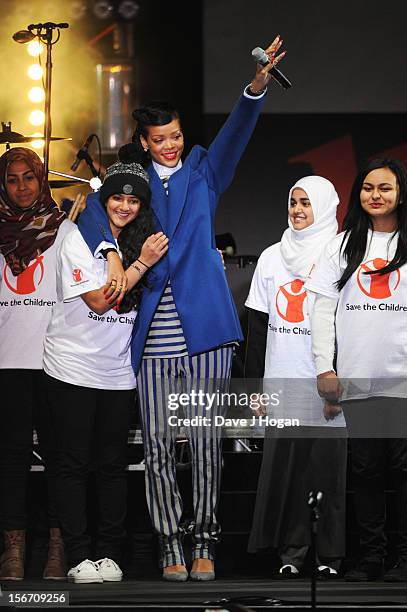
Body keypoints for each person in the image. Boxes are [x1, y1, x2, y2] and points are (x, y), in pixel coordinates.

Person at [77, 36, 287, 581]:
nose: (171, 145)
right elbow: (98, 224)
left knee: (207, 447)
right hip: (152, 334)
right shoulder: (132, 185)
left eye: (175, 136)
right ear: (144, 143)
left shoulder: (202, 170)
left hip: (206, 333)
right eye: (160, 140)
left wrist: (255, 87)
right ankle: (170, 546)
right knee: (158, 448)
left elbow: (236, 135)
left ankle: (205, 545)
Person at [42, 161, 168, 583]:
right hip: (71, 367)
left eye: (133, 201)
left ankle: (110, 554)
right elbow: (99, 299)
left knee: (113, 466)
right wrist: (141, 265)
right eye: (117, 197)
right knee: (73, 464)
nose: (125, 207)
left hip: (116, 372)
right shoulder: (78, 237)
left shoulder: (135, 240)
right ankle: (78, 554)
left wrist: (134, 257)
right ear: (105, 199)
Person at [306, 158, 407, 582]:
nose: (376, 195)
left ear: (401, 192)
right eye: (368, 188)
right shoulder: (341, 245)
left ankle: (402, 558)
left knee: (403, 471)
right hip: (357, 378)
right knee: (365, 470)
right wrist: (323, 368)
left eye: (385, 188)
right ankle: (371, 557)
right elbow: (322, 310)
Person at [245, 176, 347, 579]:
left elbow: (345, 324)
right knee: (287, 475)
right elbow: (256, 326)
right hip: (281, 381)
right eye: (293, 202)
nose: (298, 210)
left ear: (324, 207)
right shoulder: (272, 257)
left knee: (327, 474)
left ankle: (330, 557)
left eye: (307, 203)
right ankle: (292, 552)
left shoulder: (340, 254)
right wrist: (254, 387)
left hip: (324, 385)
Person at [0, 147, 74, 581]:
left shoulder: (64, 231)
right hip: (8, 362)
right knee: (9, 459)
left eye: (30, 177)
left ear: (42, 179)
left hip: (55, 361)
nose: (23, 187)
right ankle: (12, 549)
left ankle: (56, 548)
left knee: (59, 460)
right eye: (12, 179)